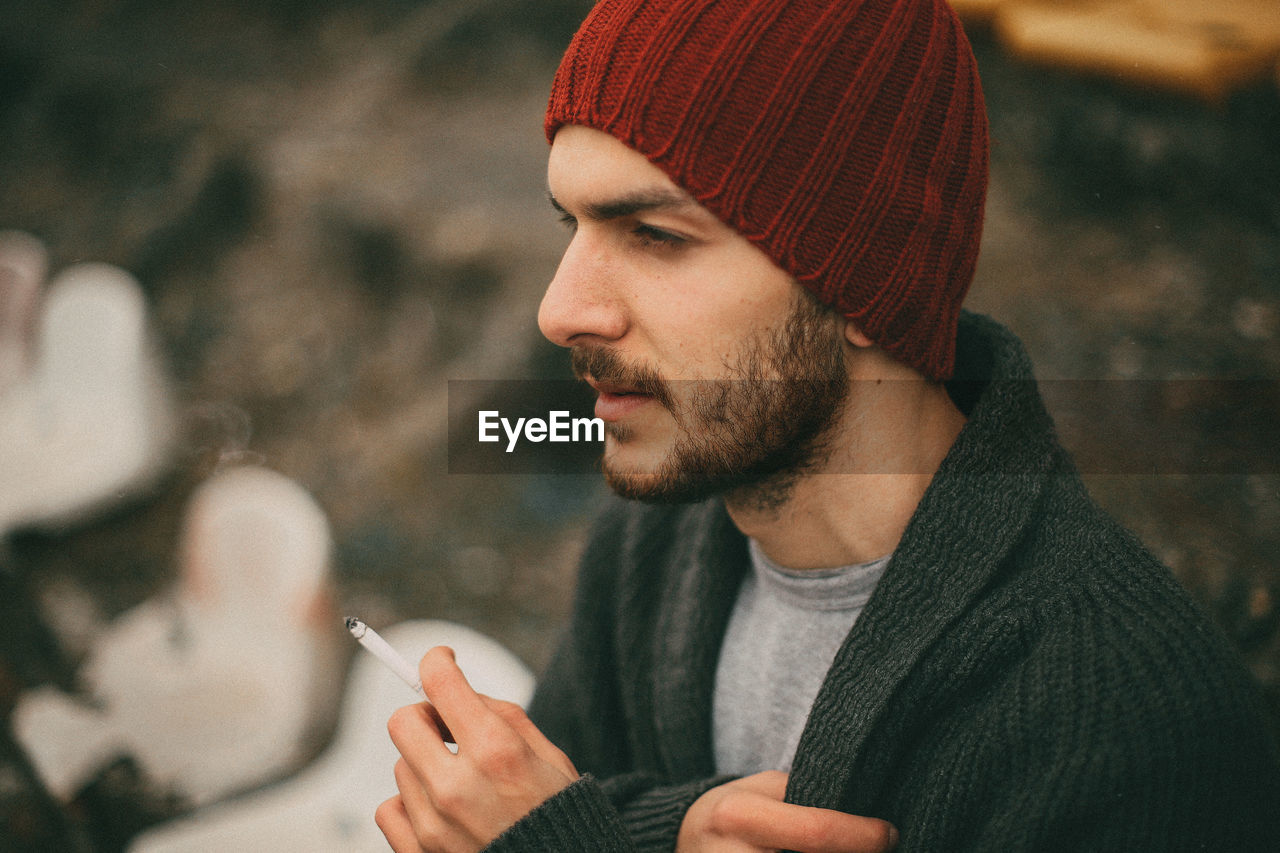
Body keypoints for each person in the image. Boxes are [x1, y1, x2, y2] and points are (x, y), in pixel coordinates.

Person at [376, 0, 1280, 850]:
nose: (560, 308)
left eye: (653, 232)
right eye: (570, 224)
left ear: (859, 280)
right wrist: (658, 829)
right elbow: (578, 791)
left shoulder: (1124, 724)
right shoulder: (652, 546)